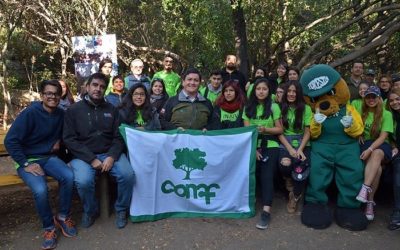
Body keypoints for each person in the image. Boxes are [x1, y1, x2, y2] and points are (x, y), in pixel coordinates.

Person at [5, 80, 76, 249]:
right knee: (40, 189)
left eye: (56, 94)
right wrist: (25, 163)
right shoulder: (30, 113)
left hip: (47, 157)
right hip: (27, 160)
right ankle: (49, 228)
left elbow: (66, 133)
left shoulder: (60, 114)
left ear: (60, 96)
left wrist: (58, 140)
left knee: (68, 176)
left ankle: (63, 216)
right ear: (42, 95)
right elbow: (10, 141)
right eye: (48, 93)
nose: (52, 96)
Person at [63, 73, 135, 229]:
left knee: (128, 175)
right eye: (95, 85)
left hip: (109, 153)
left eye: (102, 86)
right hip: (83, 156)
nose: (98, 89)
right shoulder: (73, 110)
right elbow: (69, 139)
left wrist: (111, 156)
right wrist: (91, 159)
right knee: (83, 181)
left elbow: (119, 136)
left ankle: (121, 209)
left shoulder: (112, 109)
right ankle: (90, 211)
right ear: (87, 87)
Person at [242, 77, 283, 230]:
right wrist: (254, 150)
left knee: (267, 176)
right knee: (248, 174)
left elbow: (280, 129)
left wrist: (266, 129)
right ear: (254, 90)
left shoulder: (274, 107)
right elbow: (247, 131)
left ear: (268, 91)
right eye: (258, 89)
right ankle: (246, 203)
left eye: (264, 89)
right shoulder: (247, 107)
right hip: (252, 145)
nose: (261, 91)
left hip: (270, 144)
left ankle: (266, 211)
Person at [355, 85, 393, 221]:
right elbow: (355, 127)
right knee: (377, 171)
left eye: (374, 97)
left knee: (376, 153)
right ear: (365, 99)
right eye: (368, 97)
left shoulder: (386, 113)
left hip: (381, 145)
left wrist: (370, 149)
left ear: (379, 98)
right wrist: (358, 133)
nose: (371, 99)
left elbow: (383, 137)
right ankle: (370, 202)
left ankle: (364, 188)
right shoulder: (361, 111)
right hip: (365, 143)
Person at [277, 81, 311, 213]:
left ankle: (295, 196)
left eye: (294, 92)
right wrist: (290, 149)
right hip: (286, 141)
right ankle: (289, 183)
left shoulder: (306, 108)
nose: (291, 94)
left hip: (303, 142)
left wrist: (300, 149)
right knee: (285, 164)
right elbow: (280, 132)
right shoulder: (280, 107)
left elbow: (308, 132)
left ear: (298, 94)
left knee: (301, 170)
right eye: (289, 91)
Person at [386, 88, 400, 230]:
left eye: (398, 99)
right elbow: (388, 136)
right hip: (398, 153)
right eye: (392, 101)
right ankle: (398, 212)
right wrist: (393, 145)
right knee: (398, 177)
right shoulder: (391, 116)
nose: (395, 102)